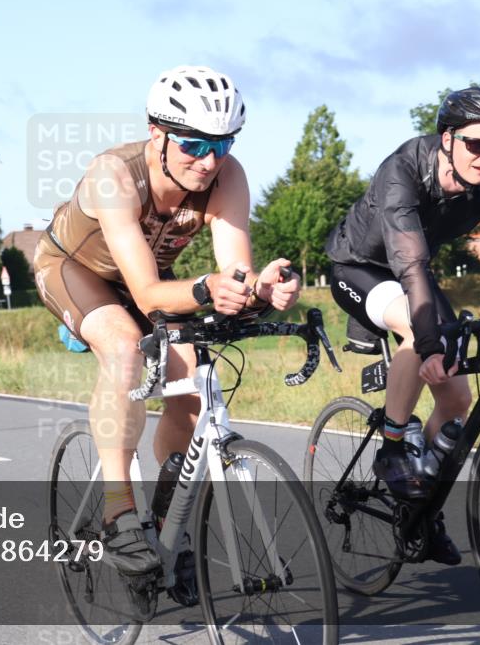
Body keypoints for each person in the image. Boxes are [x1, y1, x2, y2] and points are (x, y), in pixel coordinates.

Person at [33, 65, 302, 587]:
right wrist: (206, 288)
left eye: (221, 145)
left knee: (196, 385)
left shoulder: (228, 176)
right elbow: (147, 294)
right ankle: (117, 511)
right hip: (75, 271)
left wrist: (260, 289)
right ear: (156, 134)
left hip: (153, 280)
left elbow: (235, 269)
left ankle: (167, 518)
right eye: (193, 145)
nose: (208, 161)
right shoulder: (114, 175)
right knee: (124, 346)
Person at [325, 86, 480, 565]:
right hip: (361, 267)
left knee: (456, 399)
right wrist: (430, 345)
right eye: (477, 144)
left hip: (417, 272)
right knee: (418, 333)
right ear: (447, 139)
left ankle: (421, 511)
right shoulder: (403, 170)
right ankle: (392, 448)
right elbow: (408, 264)